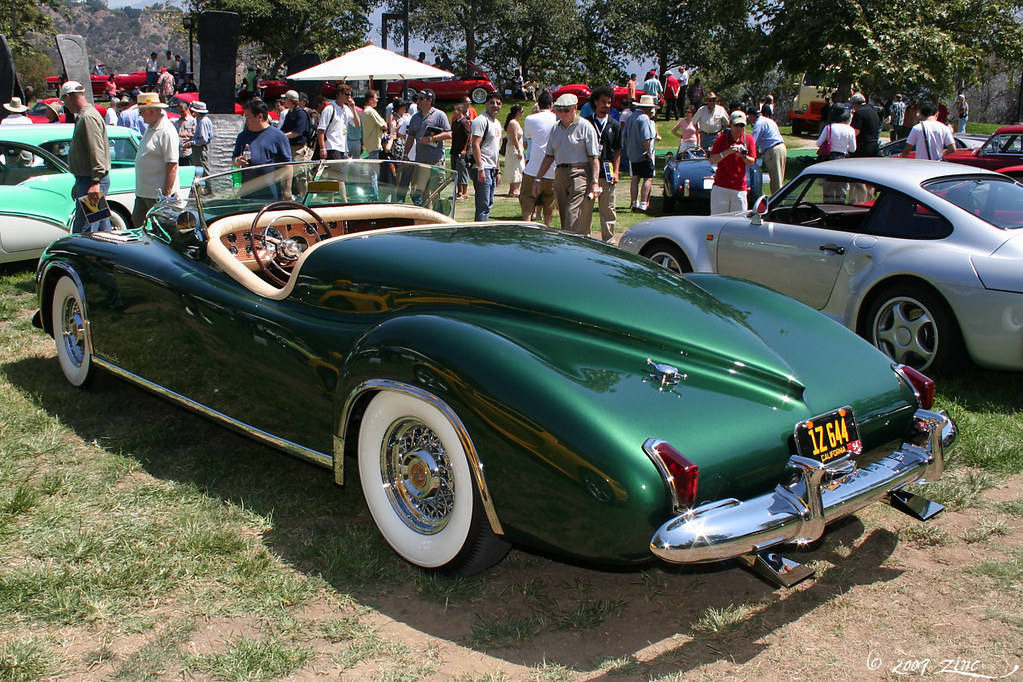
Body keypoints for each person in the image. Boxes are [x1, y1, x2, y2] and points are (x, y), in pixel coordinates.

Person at [533, 93, 600, 235]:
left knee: (572, 214)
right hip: (560, 174)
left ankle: (573, 246)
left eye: (566, 110)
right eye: (559, 110)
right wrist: (538, 178)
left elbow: (594, 158)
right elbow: (549, 157)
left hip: (580, 173)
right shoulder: (555, 128)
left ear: (575, 108)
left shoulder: (585, 126)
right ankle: (570, 244)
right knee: (564, 215)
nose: (562, 114)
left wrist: (594, 182)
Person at [61, 81, 111, 233]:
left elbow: (96, 149)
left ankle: (88, 257)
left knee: (85, 232)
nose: (65, 105)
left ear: (69, 97)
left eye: (64, 100)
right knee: (101, 228)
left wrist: (95, 182)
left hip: (91, 180)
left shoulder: (88, 117)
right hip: (88, 179)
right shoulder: (85, 116)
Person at [132, 92, 179, 226]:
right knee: (138, 225)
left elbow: (172, 164)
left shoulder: (166, 130)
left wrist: (166, 194)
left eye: (141, 113)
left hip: (158, 197)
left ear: (151, 111)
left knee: (159, 230)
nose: (140, 117)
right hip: (144, 193)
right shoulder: (151, 128)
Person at [232, 98, 292, 200]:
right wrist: (238, 161)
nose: (246, 120)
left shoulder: (278, 136)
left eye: (248, 117)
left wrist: (287, 189)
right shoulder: (242, 136)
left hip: (271, 194)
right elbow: (234, 160)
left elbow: (287, 165)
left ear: (259, 116)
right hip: (248, 193)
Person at [583, 86, 622, 242]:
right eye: (603, 102)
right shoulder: (586, 123)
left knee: (608, 208)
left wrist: (616, 172)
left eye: (609, 102)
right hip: (588, 173)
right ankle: (584, 239)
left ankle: (609, 241)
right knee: (585, 208)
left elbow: (618, 151)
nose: (606, 105)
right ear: (596, 102)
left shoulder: (615, 125)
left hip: (607, 172)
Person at [403, 89, 451, 204]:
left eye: (421, 98)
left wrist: (430, 139)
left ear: (429, 100)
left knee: (436, 192)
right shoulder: (415, 117)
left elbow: (449, 134)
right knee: (422, 192)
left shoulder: (439, 115)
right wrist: (405, 154)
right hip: (421, 161)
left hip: (436, 161)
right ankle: (425, 218)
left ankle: (437, 217)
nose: (417, 101)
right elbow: (410, 137)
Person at [520, 89, 557, 226]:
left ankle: (527, 228)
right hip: (552, 169)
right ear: (551, 104)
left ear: (539, 104)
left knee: (527, 201)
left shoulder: (530, 119)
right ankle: (547, 230)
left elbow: (528, 136)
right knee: (549, 205)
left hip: (533, 168)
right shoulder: (557, 119)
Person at [709, 111, 757, 214]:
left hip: (739, 188)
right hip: (721, 186)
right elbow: (712, 160)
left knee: (739, 221)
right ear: (730, 124)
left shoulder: (749, 139)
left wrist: (743, 157)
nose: (739, 128)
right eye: (736, 125)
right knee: (718, 219)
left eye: (741, 125)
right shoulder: (721, 138)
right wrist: (727, 152)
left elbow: (752, 162)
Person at [470, 93, 503, 220]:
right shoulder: (481, 120)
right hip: (483, 167)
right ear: (486, 104)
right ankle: (480, 233)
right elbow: (475, 144)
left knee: (488, 203)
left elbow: (495, 149)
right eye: (492, 102)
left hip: (492, 168)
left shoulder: (497, 123)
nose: (495, 105)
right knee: (483, 204)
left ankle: (483, 229)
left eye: (498, 103)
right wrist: (480, 168)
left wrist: (498, 170)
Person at [624, 95, 657, 213]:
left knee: (635, 177)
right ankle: (643, 204)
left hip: (632, 153)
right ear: (647, 108)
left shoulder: (631, 117)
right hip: (642, 153)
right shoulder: (644, 118)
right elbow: (646, 138)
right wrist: (649, 153)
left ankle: (634, 202)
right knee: (648, 178)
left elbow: (625, 135)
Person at [747, 107, 786, 195]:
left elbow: (753, 141)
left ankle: (777, 201)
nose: (749, 119)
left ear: (752, 116)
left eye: (749, 117)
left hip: (773, 150)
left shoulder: (759, 123)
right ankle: (778, 198)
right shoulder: (768, 120)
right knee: (778, 177)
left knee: (776, 180)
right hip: (780, 148)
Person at [317, 83, 360, 159]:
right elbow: (321, 130)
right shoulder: (329, 109)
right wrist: (322, 148)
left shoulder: (346, 109)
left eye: (350, 94)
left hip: (343, 147)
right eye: (347, 94)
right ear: (340, 94)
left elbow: (357, 124)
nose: (349, 97)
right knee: (337, 170)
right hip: (331, 146)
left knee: (341, 170)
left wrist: (353, 108)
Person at [280, 90, 312, 193]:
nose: (283, 101)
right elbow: (283, 130)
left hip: (298, 149)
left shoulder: (301, 114)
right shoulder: (289, 113)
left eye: (285, 99)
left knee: (300, 176)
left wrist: (282, 137)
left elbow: (297, 132)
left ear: (289, 100)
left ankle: (304, 196)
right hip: (289, 149)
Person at [189, 101, 213, 189]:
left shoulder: (203, 122)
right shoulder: (202, 120)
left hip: (200, 148)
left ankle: (209, 189)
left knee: (204, 169)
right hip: (199, 148)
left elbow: (203, 139)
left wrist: (191, 143)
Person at [450, 103, 472, 200]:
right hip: (454, 150)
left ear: (460, 111)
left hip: (462, 152)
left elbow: (469, 135)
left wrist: (464, 149)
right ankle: (458, 192)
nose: (454, 112)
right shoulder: (455, 123)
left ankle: (464, 192)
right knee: (456, 172)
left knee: (462, 171)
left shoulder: (464, 122)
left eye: (455, 110)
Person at [849, 92, 880, 157]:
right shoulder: (873, 111)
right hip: (874, 146)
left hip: (863, 146)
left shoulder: (859, 112)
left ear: (855, 103)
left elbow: (856, 131)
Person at [503, 104, 525, 197]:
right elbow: (515, 138)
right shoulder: (513, 123)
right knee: (516, 168)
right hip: (514, 149)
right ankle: (514, 189)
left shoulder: (515, 122)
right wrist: (519, 151)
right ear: (518, 112)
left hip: (516, 148)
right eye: (522, 111)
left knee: (518, 167)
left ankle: (514, 189)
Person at [360, 89, 386, 159]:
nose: (377, 100)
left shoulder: (365, 111)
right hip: (374, 146)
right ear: (371, 99)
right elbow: (384, 125)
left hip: (369, 146)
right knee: (375, 169)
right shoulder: (371, 111)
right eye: (376, 98)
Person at [173, 98, 195, 163]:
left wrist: (187, 134)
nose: (180, 113)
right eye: (179, 111)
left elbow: (197, 136)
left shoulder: (192, 121)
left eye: (182, 111)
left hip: (187, 152)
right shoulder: (176, 122)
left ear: (187, 110)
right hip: (178, 153)